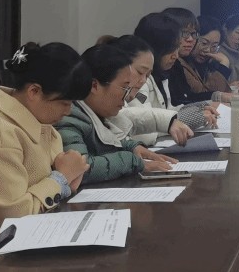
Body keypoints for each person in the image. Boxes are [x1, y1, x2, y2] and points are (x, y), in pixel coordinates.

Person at [0, 42, 92, 244]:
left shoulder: (39, 122)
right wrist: (61, 178)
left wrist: (66, 182)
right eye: (64, 103)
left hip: (32, 238)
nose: (68, 111)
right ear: (34, 92)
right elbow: (13, 222)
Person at [56, 45, 175, 183]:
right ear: (94, 85)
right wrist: (133, 161)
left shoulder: (97, 112)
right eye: (124, 87)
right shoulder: (69, 116)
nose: (127, 96)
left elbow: (105, 144)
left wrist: (132, 147)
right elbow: (81, 168)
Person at [107, 33, 210, 143]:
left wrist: (199, 107)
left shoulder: (156, 78)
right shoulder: (111, 97)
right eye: (140, 72)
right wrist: (173, 122)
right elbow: (146, 136)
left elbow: (164, 111)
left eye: (147, 75)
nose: (143, 80)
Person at [135, 11, 225, 120]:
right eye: (185, 33)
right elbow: (144, 120)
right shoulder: (140, 77)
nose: (176, 55)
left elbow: (173, 108)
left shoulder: (164, 71)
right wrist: (199, 115)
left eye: (193, 34)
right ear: (157, 46)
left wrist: (205, 107)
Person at [178, 16, 236, 101]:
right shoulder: (180, 63)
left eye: (214, 46)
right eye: (204, 43)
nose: (208, 50)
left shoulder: (207, 63)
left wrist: (229, 85)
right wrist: (223, 65)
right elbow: (207, 95)